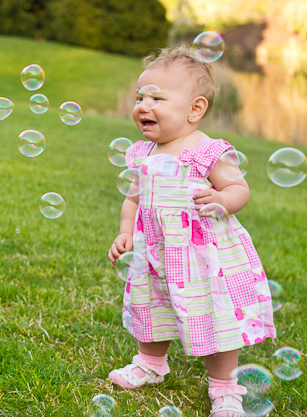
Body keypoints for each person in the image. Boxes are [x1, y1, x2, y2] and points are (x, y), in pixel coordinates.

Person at [106, 45, 275, 417]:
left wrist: (221, 199)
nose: (143, 105)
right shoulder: (142, 154)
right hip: (156, 253)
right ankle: (151, 363)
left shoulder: (205, 151)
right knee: (152, 308)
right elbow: (132, 200)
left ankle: (226, 387)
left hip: (202, 257)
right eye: (140, 97)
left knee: (214, 316)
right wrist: (125, 232)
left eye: (157, 98)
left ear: (195, 109)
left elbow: (239, 189)